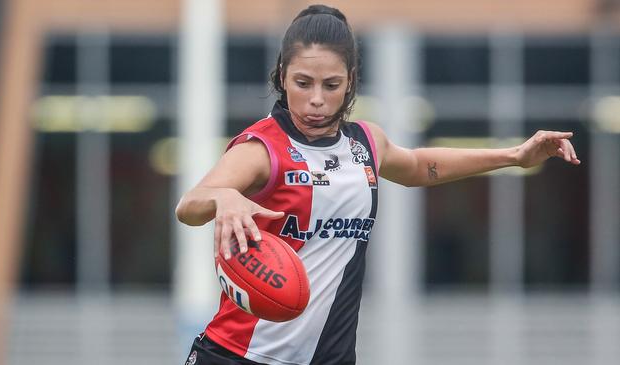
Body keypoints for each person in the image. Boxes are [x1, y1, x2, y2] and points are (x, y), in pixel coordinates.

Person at [175, 4, 580, 365]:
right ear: (282, 76)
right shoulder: (262, 147)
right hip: (235, 355)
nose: (316, 99)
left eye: (330, 85)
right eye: (303, 83)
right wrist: (224, 196)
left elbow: (421, 165)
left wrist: (514, 156)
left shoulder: (366, 143)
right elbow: (190, 205)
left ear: (350, 81)